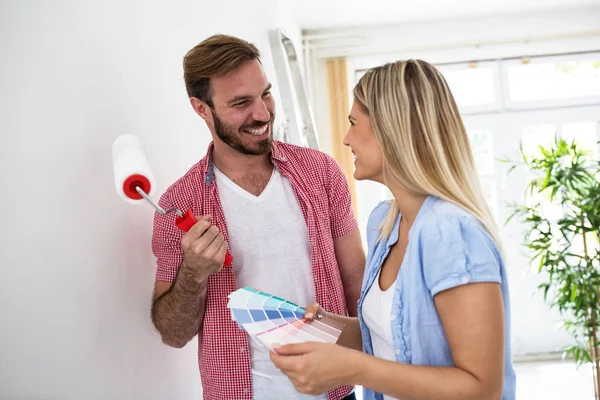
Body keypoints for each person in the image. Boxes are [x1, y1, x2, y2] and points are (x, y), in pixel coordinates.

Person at [270, 59, 517, 400]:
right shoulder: (385, 225)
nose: (346, 138)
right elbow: (392, 338)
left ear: (392, 129)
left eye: (354, 123)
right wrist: (326, 328)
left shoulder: (451, 233)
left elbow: (481, 389)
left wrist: (350, 367)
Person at [149, 34, 365, 400]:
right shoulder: (178, 204)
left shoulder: (321, 173)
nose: (263, 113)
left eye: (265, 93)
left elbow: (356, 280)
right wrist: (193, 271)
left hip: (335, 391)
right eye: (240, 103)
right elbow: (173, 333)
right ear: (201, 109)